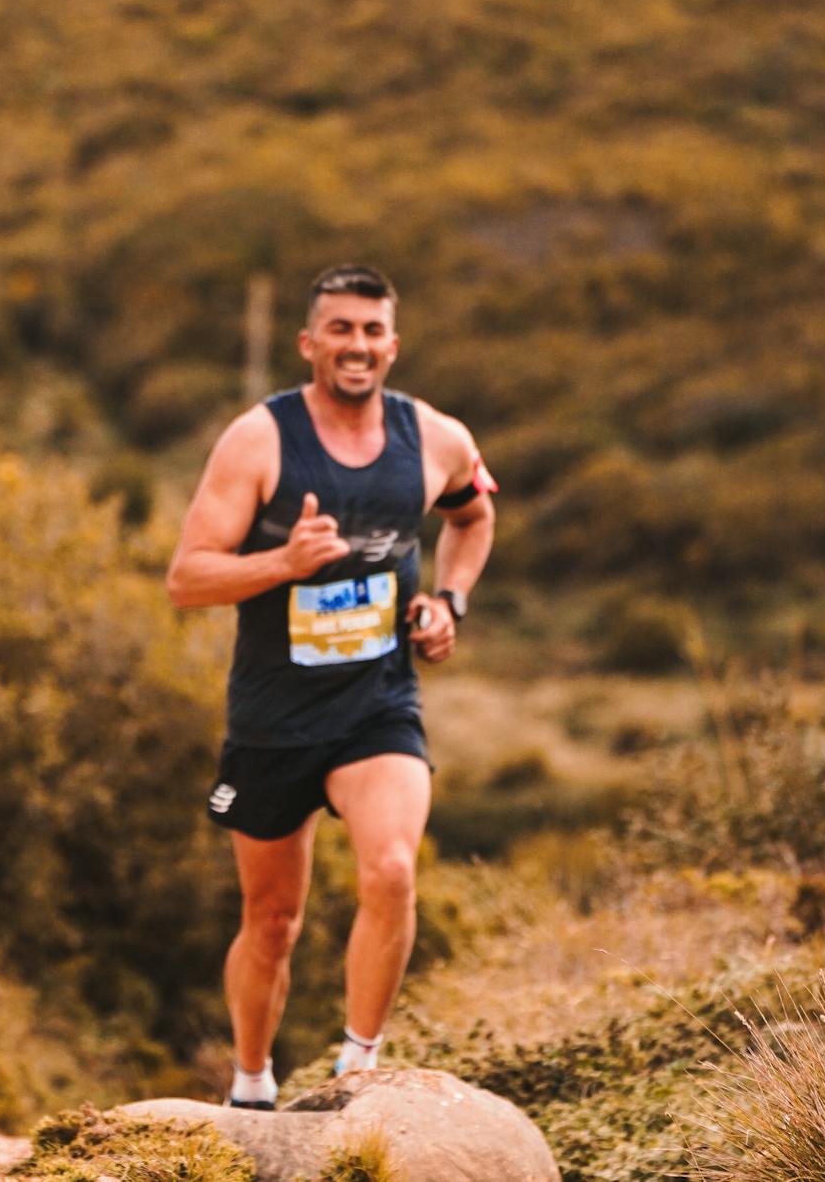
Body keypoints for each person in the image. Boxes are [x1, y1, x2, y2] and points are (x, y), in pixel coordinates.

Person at [166, 264, 495, 1108]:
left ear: (394, 343)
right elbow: (187, 578)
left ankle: (359, 1064)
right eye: (341, 330)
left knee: (390, 868)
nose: (358, 346)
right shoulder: (260, 439)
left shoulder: (436, 438)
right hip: (274, 715)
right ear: (310, 343)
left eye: (373, 331)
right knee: (273, 923)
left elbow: (473, 513)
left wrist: (447, 600)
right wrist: (285, 561)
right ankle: (250, 1080)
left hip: (377, 705)